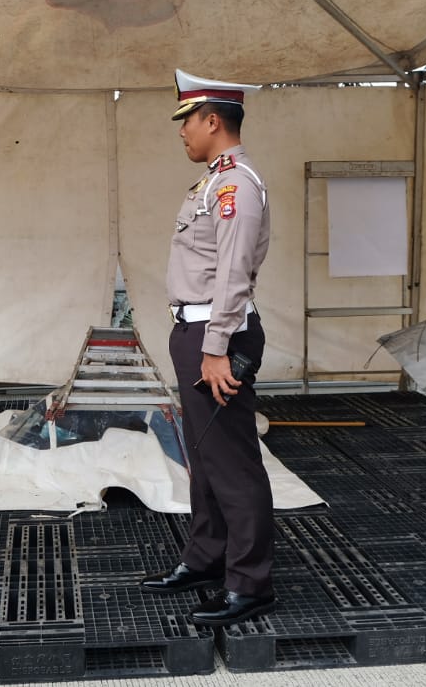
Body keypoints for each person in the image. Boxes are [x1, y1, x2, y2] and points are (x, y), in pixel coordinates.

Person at [140, 69, 276, 626]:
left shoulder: (235, 185)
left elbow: (232, 275)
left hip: (217, 336)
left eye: (187, 121)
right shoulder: (211, 184)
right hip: (197, 333)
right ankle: (206, 557)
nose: (182, 132)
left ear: (212, 120)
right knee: (204, 456)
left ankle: (250, 583)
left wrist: (215, 348)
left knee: (232, 461)